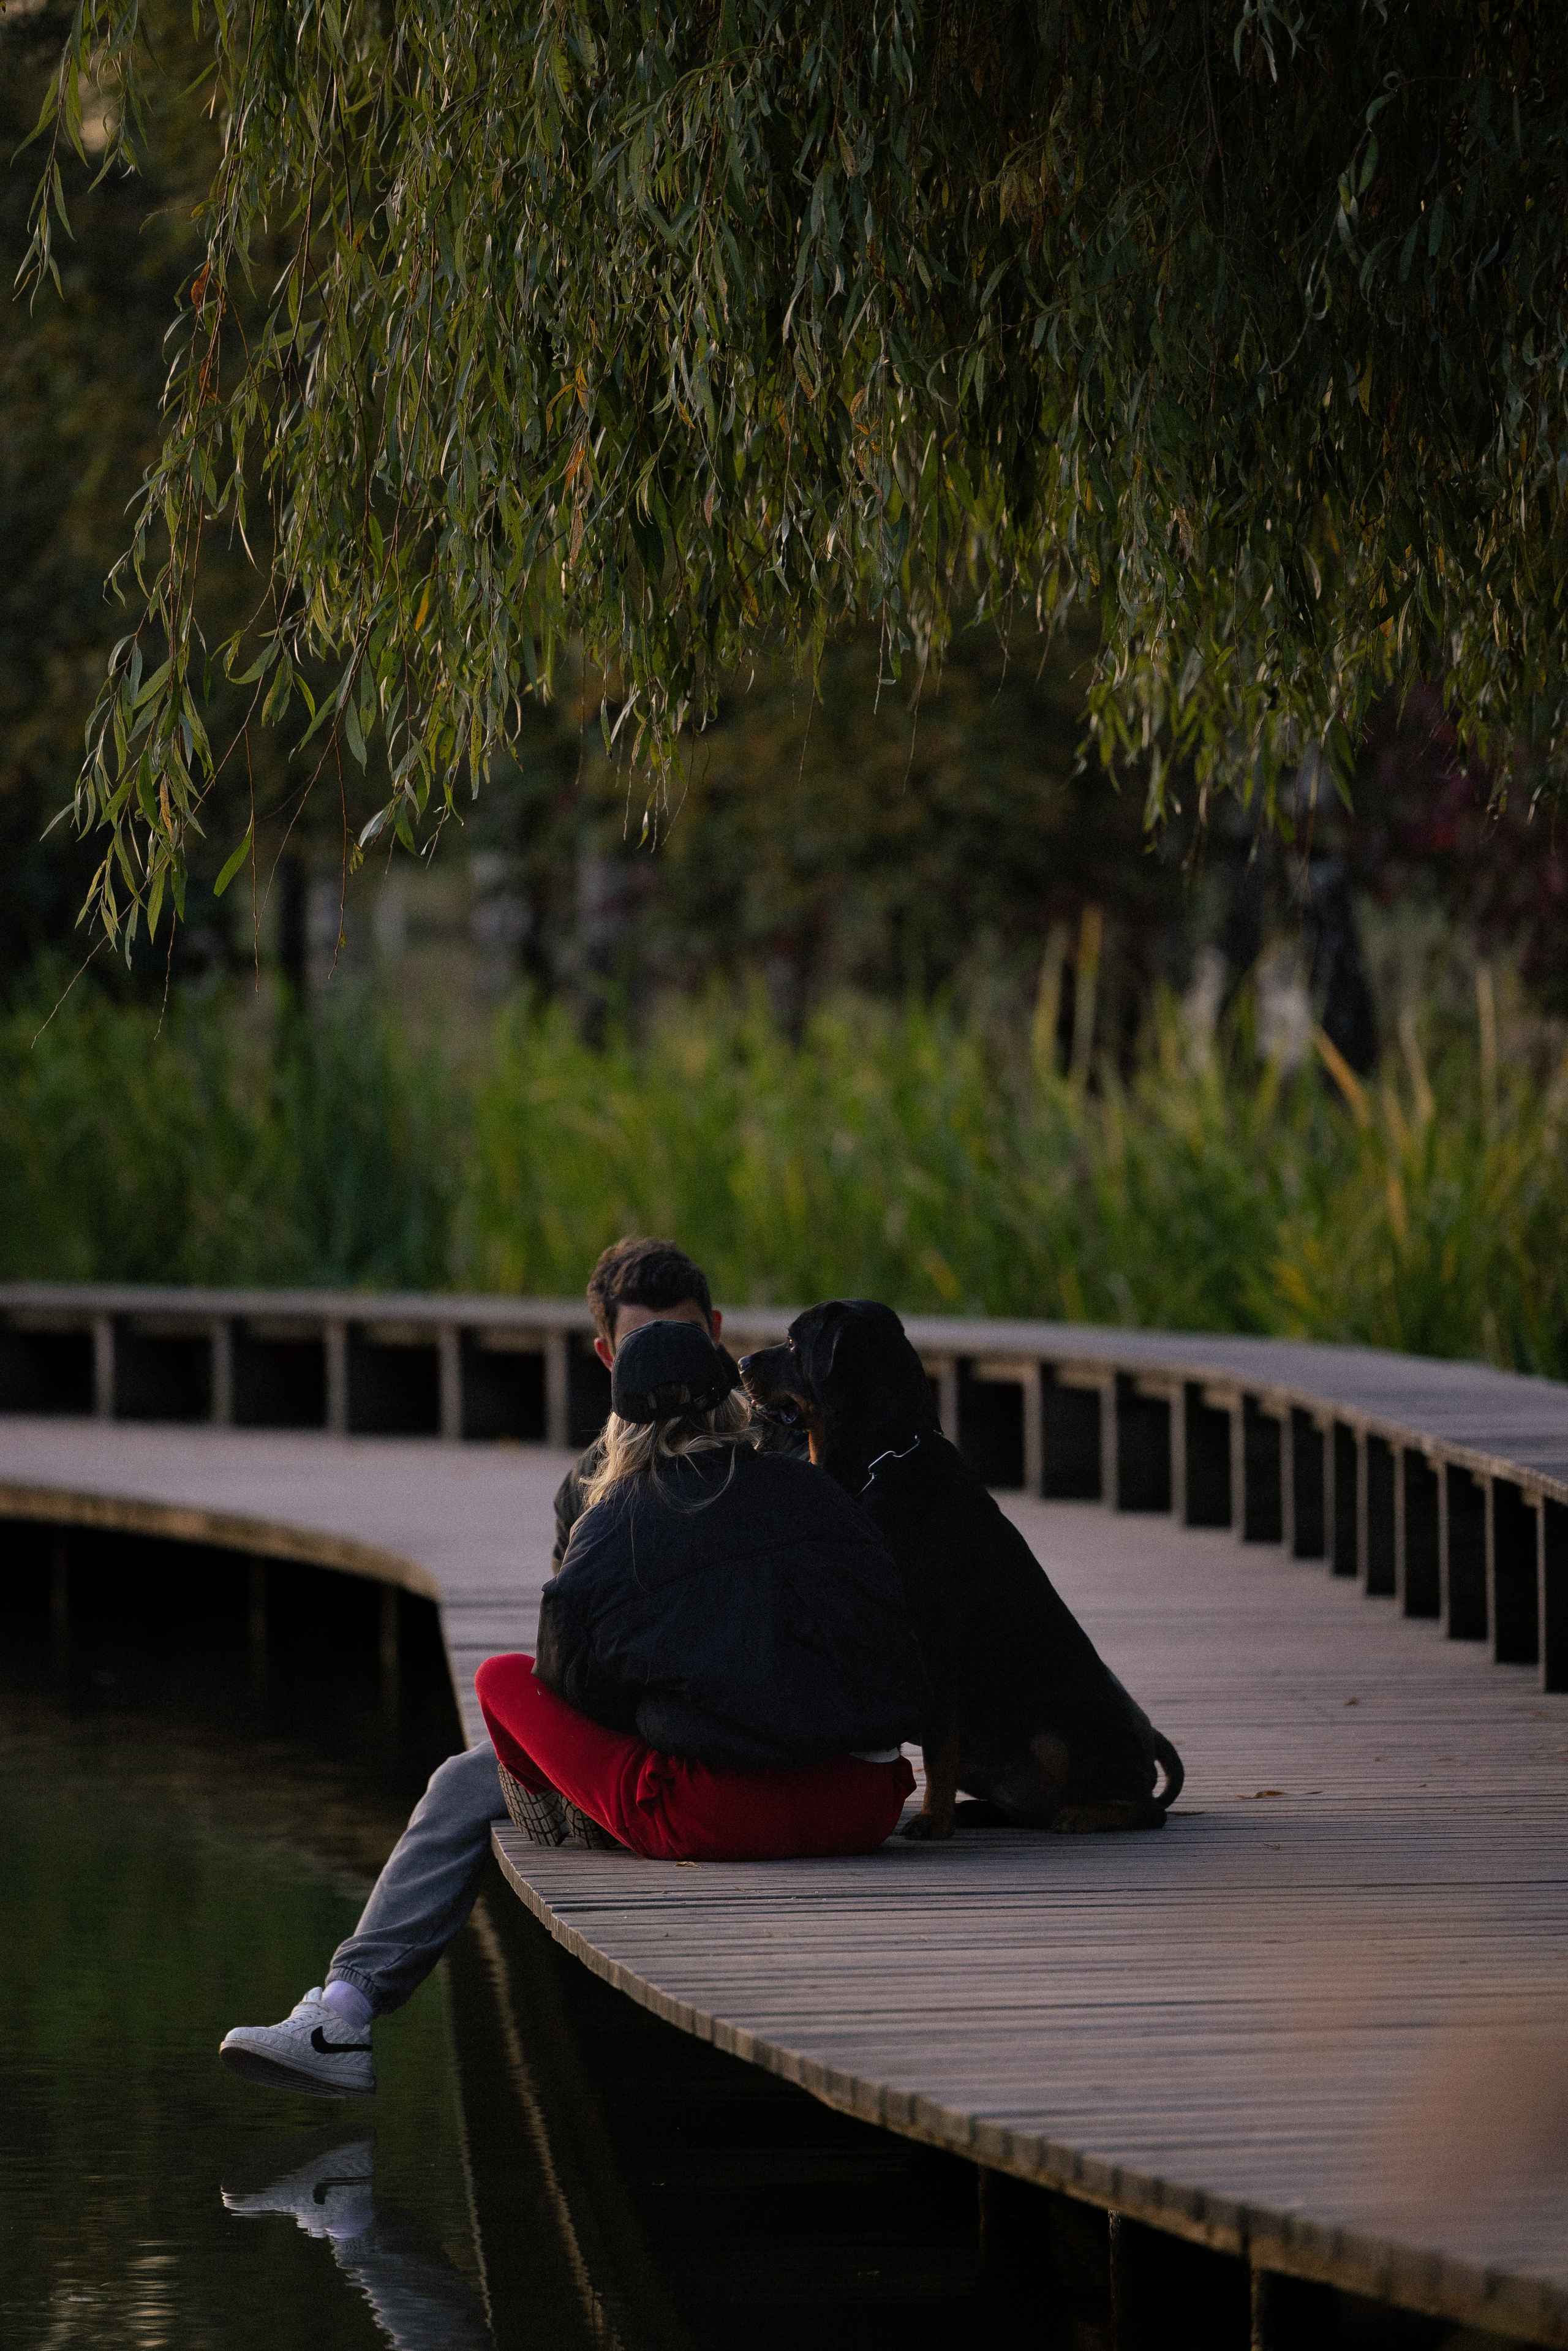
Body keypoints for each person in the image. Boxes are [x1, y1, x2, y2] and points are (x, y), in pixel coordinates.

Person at [219, 1237, 741, 2099]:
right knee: (474, 1768)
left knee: (473, 1772)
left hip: (711, 1756)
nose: (668, 1378)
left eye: (684, 1346)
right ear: (608, 1356)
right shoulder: (589, 1488)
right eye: (644, 1352)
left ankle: (344, 2012)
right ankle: (342, 2005)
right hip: (644, 1744)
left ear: (717, 1336)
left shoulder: (767, 1458)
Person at [476, 1318, 925, 1862]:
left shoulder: (609, 1524)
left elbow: (573, 1687)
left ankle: (565, 1803)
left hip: (715, 1819)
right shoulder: (815, 1487)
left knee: (498, 1678)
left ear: (622, 1425)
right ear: (730, 1403)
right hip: (863, 1807)